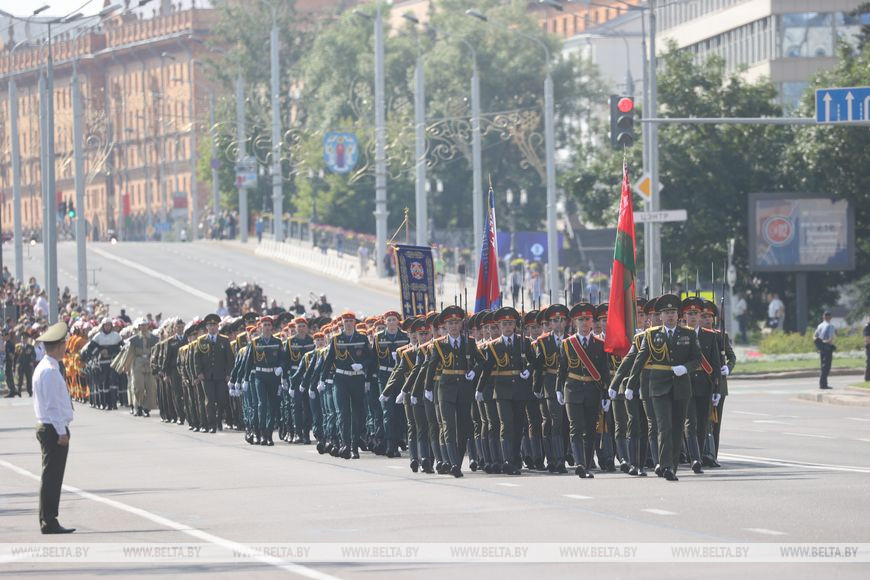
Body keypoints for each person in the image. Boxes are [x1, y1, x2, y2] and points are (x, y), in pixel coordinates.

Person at [626, 294, 701, 482]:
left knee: (677, 427)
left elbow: (697, 358)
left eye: (673, 312)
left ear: (678, 315)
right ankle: (665, 465)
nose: (670, 316)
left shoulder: (688, 334)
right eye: (667, 312)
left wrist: (686, 368)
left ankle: (672, 467)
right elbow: (639, 360)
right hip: (658, 386)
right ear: (660, 316)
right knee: (664, 426)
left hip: (681, 385)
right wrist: (630, 384)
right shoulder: (651, 335)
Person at [32, 321, 75, 534]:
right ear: (58, 346)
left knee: (52, 476)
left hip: (50, 427)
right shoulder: (49, 370)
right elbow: (52, 405)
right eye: (64, 344)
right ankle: (49, 520)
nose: (66, 347)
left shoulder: (47, 367)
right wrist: (61, 431)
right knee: (52, 477)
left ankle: (49, 518)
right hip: (52, 429)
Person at [813, 311, 836, 390]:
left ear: (823, 317)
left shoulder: (820, 325)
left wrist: (820, 344)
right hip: (827, 348)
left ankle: (823, 383)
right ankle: (823, 384)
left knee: (822, 366)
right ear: (830, 318)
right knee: (827, 366)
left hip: (821, 348)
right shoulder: (830, 326)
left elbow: (815, 337)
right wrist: (827, 343)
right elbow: (830, 338)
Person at [864, 314, 870, 382]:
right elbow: (867, 339)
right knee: (869, 363)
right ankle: (867, 378)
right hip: (869, 347)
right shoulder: (867, 327)